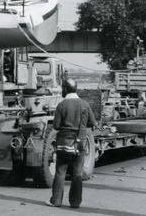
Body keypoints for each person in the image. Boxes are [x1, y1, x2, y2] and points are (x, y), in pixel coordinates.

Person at [48, 77, 96, 209]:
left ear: (64, 89)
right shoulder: (84, 104)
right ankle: (75, 202)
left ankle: (56, 201)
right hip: (79, 143)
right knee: (77, 174)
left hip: (64, 142)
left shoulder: (61, 105)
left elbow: (56, 126)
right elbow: (92, 123)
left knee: (60, 172)